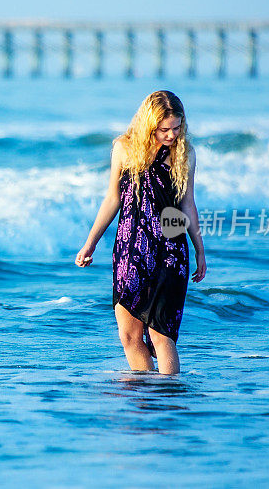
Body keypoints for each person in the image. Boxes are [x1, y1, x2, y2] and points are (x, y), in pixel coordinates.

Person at [75, 90, 206, 375]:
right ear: (149, 124)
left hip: (170, 251)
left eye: (177, 127)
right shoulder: (124, 148)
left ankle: (168, 398)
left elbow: (187, 204)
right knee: (129, 335)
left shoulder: (185, 155)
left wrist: (199, 249)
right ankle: (145, 397)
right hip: (131, 249)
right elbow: (112, 198)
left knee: (161, 334)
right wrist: (90, 243)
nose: (172, 135)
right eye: (164, 129)